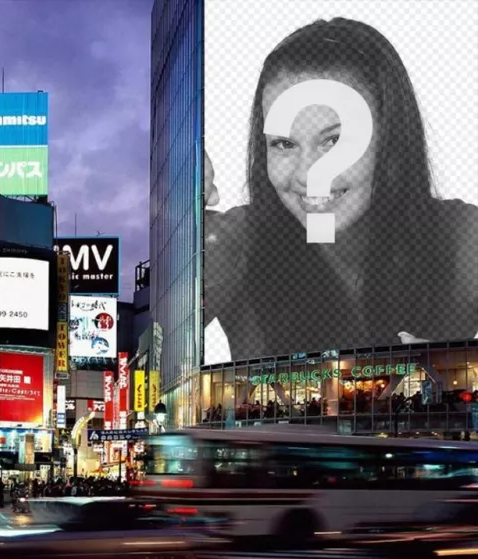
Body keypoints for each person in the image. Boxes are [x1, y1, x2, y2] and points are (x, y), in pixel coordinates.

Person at [204, 17, 478, 362]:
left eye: (335, 140)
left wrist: (460, 368)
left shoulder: (461, 236)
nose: (308, 174)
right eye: (284, 144)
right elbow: (136, 341)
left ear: (391, 138)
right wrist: (174, 204)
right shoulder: (237, 240)